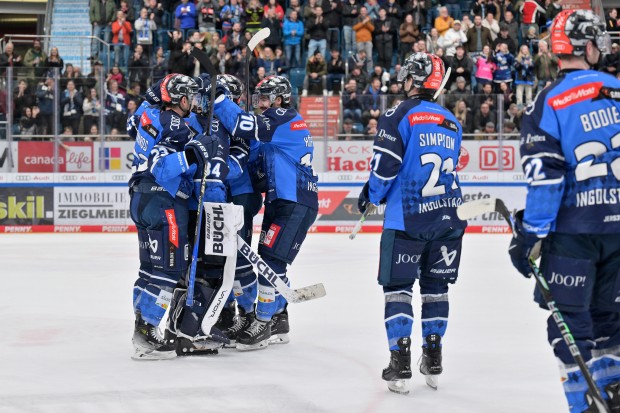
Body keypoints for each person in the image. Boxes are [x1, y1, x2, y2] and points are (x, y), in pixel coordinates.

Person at [508, 10, 620, 413]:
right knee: (612, 323)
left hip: (573, 233)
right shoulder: (617, 88)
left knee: (570, 327)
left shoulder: (548, 101)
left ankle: (586, 406)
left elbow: (546, 179)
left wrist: (530, 235)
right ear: (587, 46)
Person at [357, 52, 466, 395]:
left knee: (398, 290)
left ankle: (400, 363)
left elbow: (385, 167)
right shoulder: (452, 121)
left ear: (415, 81)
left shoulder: (399, 113)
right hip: (448, 216)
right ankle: (433, 360)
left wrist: (371, 195)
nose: (402, 82)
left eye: (406, 77)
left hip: (408, 217)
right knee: (437, 289)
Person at [213, 75, 319, 351]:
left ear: (280, 98)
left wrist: (220, 99)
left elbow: (241, 124)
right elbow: (261, 174)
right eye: (258, 95)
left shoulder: (283, 118)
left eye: (266, 96)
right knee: (270, 263)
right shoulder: (278, 128)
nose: (260, 101)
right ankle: (279, 318)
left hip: (295, 203)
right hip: (281, 201)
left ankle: (263, 321)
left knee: (270, 264)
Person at [129, 74, 220, 360]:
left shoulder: (148, 115)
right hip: (163, 200)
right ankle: (147, 330)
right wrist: (194, 154)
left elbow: (132, 123)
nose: (193, 101)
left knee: (148, 270)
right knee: (168, 270)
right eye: (190, 96)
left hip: (141, 197)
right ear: (180, 99)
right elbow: (161, 166)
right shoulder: (175, 124)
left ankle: (141, 326)